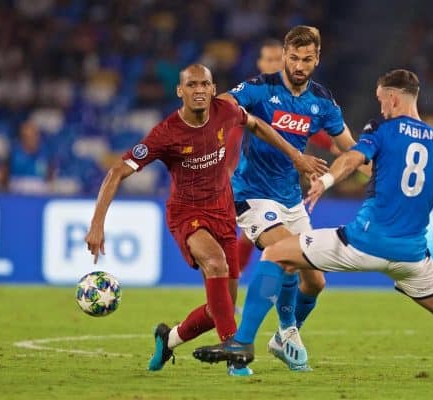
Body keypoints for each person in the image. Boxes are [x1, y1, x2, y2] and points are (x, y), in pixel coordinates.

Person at [193, 69, 433, 387]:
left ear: (392, 99)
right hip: (411, 255)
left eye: (381, 100)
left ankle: (244, 342)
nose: (381, 107)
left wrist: (326, 180)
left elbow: (354, 157)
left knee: (277, 253)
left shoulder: (382, 130)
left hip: (362, 243)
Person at [84, 64, 326, 376]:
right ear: (180, 91)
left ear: (213, 89)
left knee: (218, 309)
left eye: (205, 85)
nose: (199, 90)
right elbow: (117, 171)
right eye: (192, 85)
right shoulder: (166, 133)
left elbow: (256, 125)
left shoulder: (225, 111)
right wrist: (97, 223)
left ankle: (167, 339)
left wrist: (295, 156)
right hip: (186, 214)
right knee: (216, 264)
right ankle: (236, 358)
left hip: (224, 213)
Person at [217, 25, 369, 371]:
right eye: (294, 58)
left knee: (315, 280)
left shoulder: (321, 101)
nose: (300, 65)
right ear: (285, 56)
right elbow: (223, 104)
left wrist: (376, 173)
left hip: (290, 198)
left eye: (307, 59)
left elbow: (351, 148)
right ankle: (264, 338)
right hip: (253, 195)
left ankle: (285, 335)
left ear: (316, 61)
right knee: (284, 251)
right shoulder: (259, 88)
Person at [226, 38, 341, 274]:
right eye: (268, 59)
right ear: (259, 62)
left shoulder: (300, 100)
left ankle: (235, 295)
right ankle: (228, 297)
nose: (273, 64)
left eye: (278, 60)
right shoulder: (253, 95)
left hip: (285, 194)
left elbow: (315, 132)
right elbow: (227, 136)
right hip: (247, 187)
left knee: (277, 252)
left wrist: (337, 151)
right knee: (276, 248)